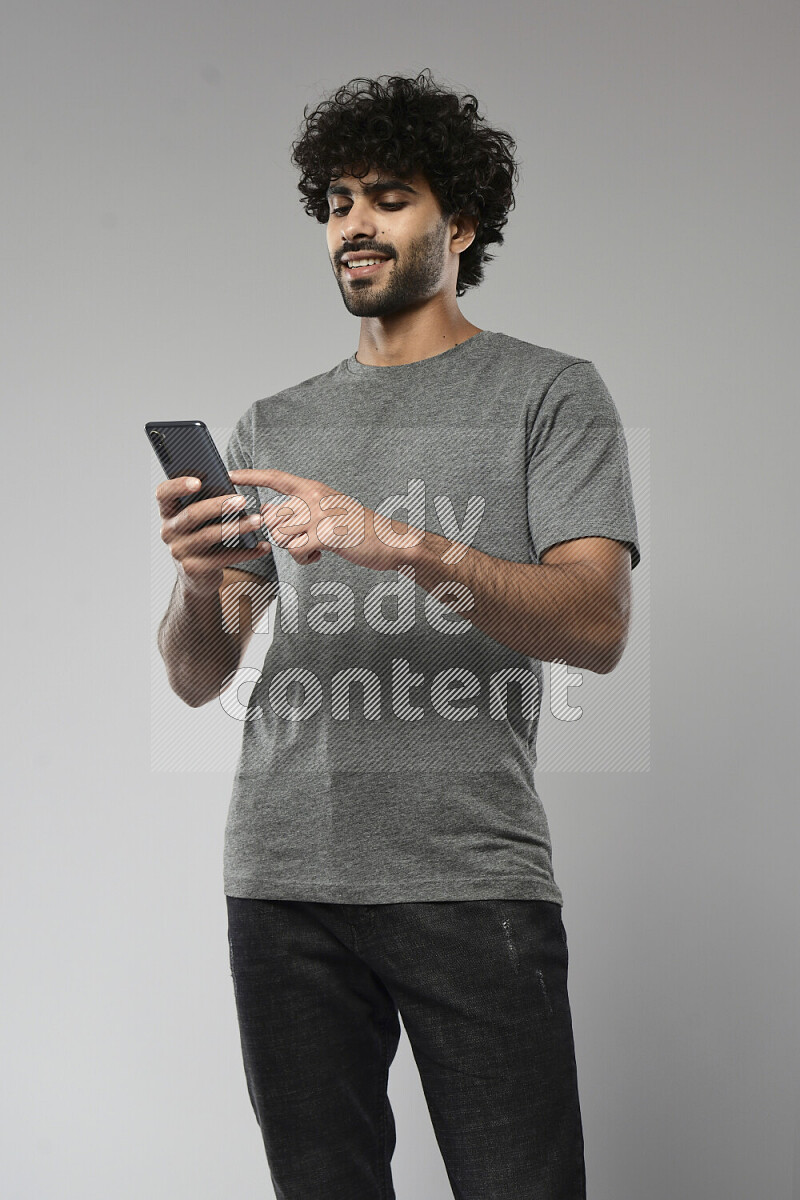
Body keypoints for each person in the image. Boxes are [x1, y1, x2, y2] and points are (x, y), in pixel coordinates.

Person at [155, 70, 640, 1200]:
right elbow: (197, 674)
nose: (353, 226)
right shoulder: (273, 422)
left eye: (387, 197)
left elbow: (596, 624)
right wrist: (198, 581)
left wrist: (401, 544)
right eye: (334, 203)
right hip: (281, 878)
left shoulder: (549, 394)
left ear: (459, 224)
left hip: (467, 877)